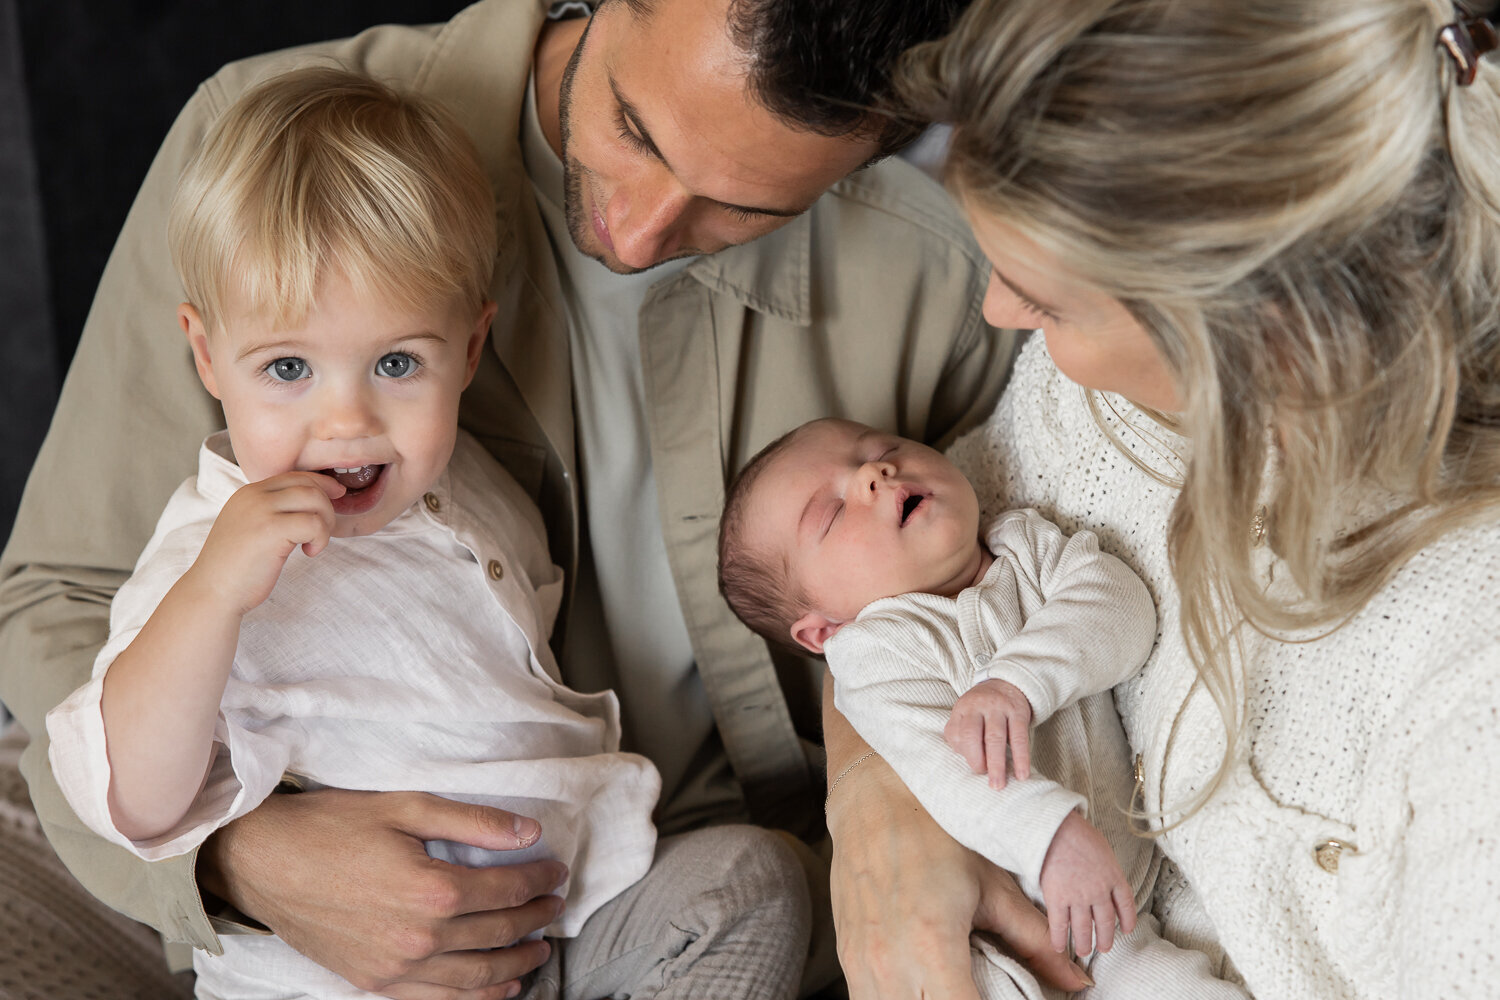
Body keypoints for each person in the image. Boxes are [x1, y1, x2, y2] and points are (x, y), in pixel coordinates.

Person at [0, 1, 1081, 998]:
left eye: (740, 206)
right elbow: (64, 597)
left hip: (657, 885)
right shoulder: (267, 163)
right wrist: (245, 859)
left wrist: (879, 783)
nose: (637, 230)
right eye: (634, 129)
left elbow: (1002, 576)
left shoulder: (944, 278)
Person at [40, 65, 825, 1000]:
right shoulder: (212, 551)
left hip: (557, 916)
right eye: (287, 366)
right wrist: (209, 596)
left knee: (752, 883)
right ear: (207, 355)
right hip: (350, 973)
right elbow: (133, 797)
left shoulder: (476, 489)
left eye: (397, 362)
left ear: (471, 348)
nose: (346, 420)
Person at [820, 1, 1500, 998]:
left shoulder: (1465, 672)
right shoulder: (1090, 401)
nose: (996, 313)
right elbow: (884, 602)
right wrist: (873, 794)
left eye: (1043, 300)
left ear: (1261, 341)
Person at [719, 417, 1253, 1000]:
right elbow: (948, 774)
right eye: (831, 512)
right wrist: (1048, 837)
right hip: (991, 932)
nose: (875, 474)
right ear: (821, 631)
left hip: (1113, 929)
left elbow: (1122, 608)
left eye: (882, 449)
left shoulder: (1026, 546)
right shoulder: (876, 658)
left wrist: (1018, 682)